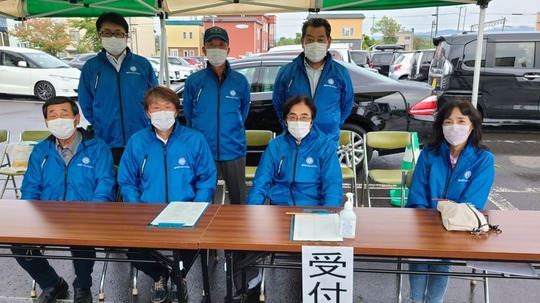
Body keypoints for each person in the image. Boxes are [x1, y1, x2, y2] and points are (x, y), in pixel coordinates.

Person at [117, 86, 217, 303]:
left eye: (167, 107)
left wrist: (196, 207)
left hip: (186, 208)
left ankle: (178, 277)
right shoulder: (137, 141)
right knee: (132, 250)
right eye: (156, 108)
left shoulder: (194, 139)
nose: (162, 112)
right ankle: (160, 274)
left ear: (176, 111)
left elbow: (207, 178)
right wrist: (136, 207)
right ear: (147, 113)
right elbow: (127, 180)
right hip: (146, 209)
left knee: (190, 246)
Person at [12, 96, 115, 303]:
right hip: (47, 215)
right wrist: (27, 216)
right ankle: (51, 283)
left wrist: (92, 212)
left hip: (86, 213)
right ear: (47, 122)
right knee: (18, 244)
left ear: (76, 119)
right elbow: (31, 186)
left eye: (64, 114)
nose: (59, 119)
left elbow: (105, 183)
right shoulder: (42, 150)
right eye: (53, 115)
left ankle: (83, 286)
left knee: (81, 239)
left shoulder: (97, 147)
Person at [406, 99, 495, 303]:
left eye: (461, 121)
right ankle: (416, 300)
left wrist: (446, 219)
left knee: (441, 259)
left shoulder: (484, 159)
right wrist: (424, 219)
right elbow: (418, 193)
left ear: (472, 125)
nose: (454, 126)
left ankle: (433, 301)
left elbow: (472, 202)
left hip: (458, 225)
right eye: (448, 121)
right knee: (418, 255)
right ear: (441, 126)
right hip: (424, 220)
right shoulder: (429, 153)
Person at [78, 12, 158, 165]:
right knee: (110, 182)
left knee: (141, 180)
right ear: (100, 35)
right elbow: (86, 101)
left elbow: (155, 97)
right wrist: (101, 122)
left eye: (118, 33)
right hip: (107, 138)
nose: (113, 37)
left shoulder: (142, 65)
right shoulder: (91, 67)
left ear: (126, 36)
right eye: (107, 33)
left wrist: (147, 122)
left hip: (140, 135)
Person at [183, 26, 251, 205]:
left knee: (238, 199)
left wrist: (231, 130)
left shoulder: (240, 80)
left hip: (233, 148)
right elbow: (189, 114)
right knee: (205, 198)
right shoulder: (195, 81)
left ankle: (239, 229)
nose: (216, 48)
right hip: (204, 149)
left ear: (228, 49)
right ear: (204, 49)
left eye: (221, 44)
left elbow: (242, 112)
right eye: (211, 44)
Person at [248, 95, 343, 206]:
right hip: (280, 207)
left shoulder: (325, 146)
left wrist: (328, 215)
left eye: (304, 117)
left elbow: (332, 183)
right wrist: (252, 210)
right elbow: (261, 181)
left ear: (311, 121)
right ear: (286, 120)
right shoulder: (275, 146)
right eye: (293, 117)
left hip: (313, 207)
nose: (298, 121)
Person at [272, 18, 353, 144]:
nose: (315, 44)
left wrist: (332, 123)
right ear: (302, 42)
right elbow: (278, 103)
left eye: (320, 39)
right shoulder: (287, 72)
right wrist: (289, 125)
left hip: (327, 140)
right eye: (310, 39)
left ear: (329, 42)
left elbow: (346, 105)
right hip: (295, 140)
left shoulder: (341, 73)